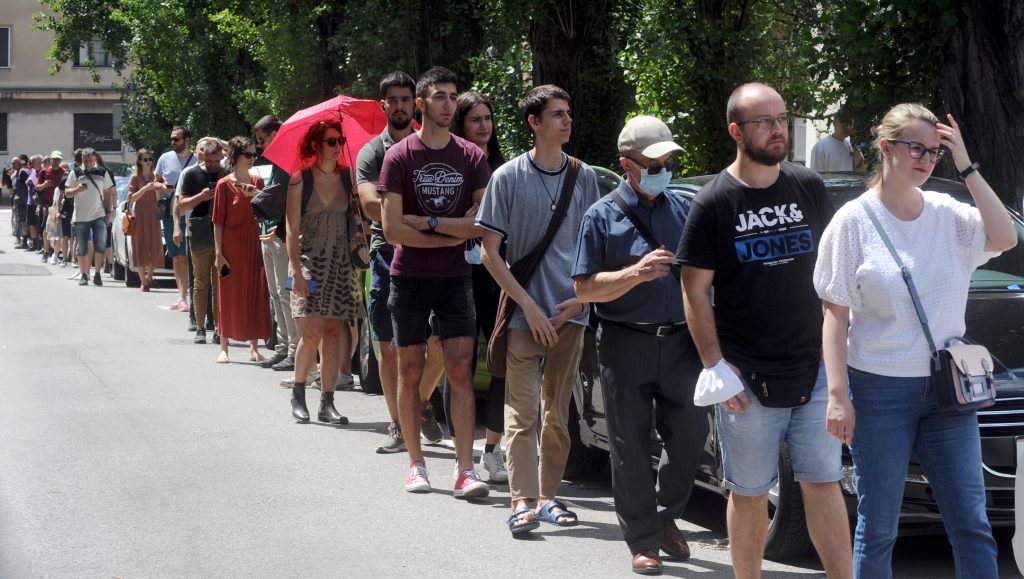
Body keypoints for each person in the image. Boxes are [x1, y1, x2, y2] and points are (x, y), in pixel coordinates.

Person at [814, 104, 1014, 579]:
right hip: (879, 388)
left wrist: (965, 163)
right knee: (879, 525)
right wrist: (838, 396)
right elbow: (834, 315)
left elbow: (1005, 237)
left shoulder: (950, 215)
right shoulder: (853, 222)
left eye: (934, 151)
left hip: (949, 389)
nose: (926, 159)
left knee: (971, 522)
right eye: (916, 148)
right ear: (885, 148)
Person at [677, 83, 851, 579]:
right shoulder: (713, 203)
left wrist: (838, 356)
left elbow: (833, 274)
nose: (778, 129)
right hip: (746, 378)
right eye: (764, 122)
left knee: (823, 484)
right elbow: (694, 290)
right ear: (736, 131)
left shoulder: (807, 186)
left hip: (814, 369)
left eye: (781, 118)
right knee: (749, 492)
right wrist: (715, 365)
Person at [573, 115, 708, 572]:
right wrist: (635, 273)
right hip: (625, 343)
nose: (663, 168)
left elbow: (703, 277)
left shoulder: (684, 210)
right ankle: (643, 540)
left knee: (691, 437)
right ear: (626, 165)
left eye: (668, 161)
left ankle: (665, 514)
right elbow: (584, 289)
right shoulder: (601, 215)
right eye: (653, 162)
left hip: (681, 343)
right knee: (629, 444)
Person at [477, 84, 598, 533]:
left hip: (571, 313)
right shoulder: (507, 176)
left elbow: (594, 246)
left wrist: (579, 302)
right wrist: (526, 305)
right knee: (521, 411)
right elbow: (489, 251)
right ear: (534, 122)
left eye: (569, 113)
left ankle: (549, 496)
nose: (567, 121)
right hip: (524, 315)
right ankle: (521, 500)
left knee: (558, 413)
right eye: (558, 114)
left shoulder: (583, 176)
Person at [379, 66, 490, 496]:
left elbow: (479, 224)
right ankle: (417, 465)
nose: (449, 104)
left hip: (455, 278)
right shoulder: (399, 156)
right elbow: (392, 231)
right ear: (421, 104)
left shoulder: (472, 157)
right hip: (409, 279)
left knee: (460, 370)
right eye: (440, 96)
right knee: (411, 370)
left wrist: (426, 220)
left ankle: (465, 470)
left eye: (453, 96)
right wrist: (452, 227)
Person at [355, 71, 446, 453]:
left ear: (416, 104)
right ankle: (397, 424)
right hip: (388, 254)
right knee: (390, 345)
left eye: (405, 99)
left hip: (436, 254)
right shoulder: (371, 153)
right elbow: (372, 206)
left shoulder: (434, 146)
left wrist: (407, 211)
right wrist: (424, 210)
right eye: (392, 100)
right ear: (383, 106)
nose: (399, 106)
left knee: (443, 339)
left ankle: (419, 401)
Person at [286, 119, 366, 424]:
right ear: (316, 145)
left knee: (334, 333)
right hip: (309, 263)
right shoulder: (300, 180)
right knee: (312, 332)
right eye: (331, 141)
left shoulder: (348, 179)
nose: (337, 146)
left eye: (340, 141)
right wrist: (296, 273)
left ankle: (327, 402)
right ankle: (298, 392)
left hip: (340, 264)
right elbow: (292, 231)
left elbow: (358, 219)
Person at [448, 90, 508, 481]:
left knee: (501, 360)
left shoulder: (506, 169)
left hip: (498, 275)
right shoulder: (448, 166)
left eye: (488, 119)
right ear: (461, 125)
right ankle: (462, 452)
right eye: (475, 120)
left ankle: (493, 449)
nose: (484, 126)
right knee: (460, 365)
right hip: (456, 273)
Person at [213, 136, 272, 363]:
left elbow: (268, 210)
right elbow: (218, 221)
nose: (252, 158)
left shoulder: (258, 182)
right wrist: (219, 254)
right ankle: (224, 347)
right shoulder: (223, 185)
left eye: (254, 154)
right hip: (231, 241)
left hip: (254, 239)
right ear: (236, 156)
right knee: (228, 293)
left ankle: (254, 346)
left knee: (254, 291)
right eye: (248, 154)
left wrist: (257, 196)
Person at [253, 115, 298, 371]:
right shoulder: (274, 161)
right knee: (275, 295)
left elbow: (292, 204)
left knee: (285, 295)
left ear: (276, 133)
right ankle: (282, 347)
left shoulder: (290, 161)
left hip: (280, 237)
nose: (260, 146)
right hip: (266, 234)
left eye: (262, 140)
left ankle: (294, 349)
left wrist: (279, 229)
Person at [176, 139, 227, 345]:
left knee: (218, 284)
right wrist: (201, 196)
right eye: (210, 160)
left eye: (217, 160)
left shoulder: (226, 174)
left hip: (221, 232)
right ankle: (200, 327)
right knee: (200, 282)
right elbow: (182, 205)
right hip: (198, 232)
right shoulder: (191, 174)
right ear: (202, 156)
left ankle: (217, 326)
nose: (214, 165)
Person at [155, 126, 197, 311]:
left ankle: (192, 294)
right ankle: (181, 296)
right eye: (171, 139)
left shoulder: (197, 159)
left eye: (176, 139)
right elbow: (155, 182)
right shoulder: (165, 158)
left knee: (189, 256)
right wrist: (163, 187)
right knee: (177, 257)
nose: (172, 142)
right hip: (171, 213)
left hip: (193, 214)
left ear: (187, 140)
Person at [64, 148, 115, 287]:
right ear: (82, 160)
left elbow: (107, 192)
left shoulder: (102, 172)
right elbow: (67, 193)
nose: (87, 162)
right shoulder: (76, 172)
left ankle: (97, 273)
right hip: (80, 216)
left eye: (90, 160)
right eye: (85, 160)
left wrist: (109, 211)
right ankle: (84, 274)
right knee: (81, 248)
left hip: (98, 215)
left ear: (95, 160)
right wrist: (77, 189)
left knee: (100, 246)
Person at [127, 149, 165, 290]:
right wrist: (145, 189)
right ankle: (143, 282)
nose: (148, 162)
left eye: (149, 159)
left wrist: (156, 189)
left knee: (155, 246)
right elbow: (131, 198)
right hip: (140, 213)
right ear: (140, 161)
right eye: (145, 159)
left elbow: (158, 199)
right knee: (140, 246)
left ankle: (149, 277)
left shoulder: (156, 177)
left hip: (153, 213)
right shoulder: (135, 178)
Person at [34, 152, 66, 263]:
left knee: (59, 230)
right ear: (51, 160)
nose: (56, 161)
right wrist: (44, 185)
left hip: (60, 205)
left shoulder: (64, 172)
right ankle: (46, 252)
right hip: (48, 205)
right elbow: (37, 187)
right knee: (47, 229)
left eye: (58, 159)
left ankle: (55, 252)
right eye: (54, 159)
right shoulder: (44, 171)